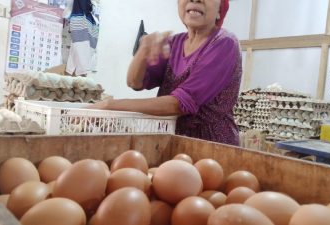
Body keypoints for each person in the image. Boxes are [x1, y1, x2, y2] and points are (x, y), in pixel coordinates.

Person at [89, 0, 242, 145]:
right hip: (169, 140)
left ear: (219, 11)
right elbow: (135, 82)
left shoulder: (224, 43)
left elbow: (180, 104)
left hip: (209, 145)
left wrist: (110, 105)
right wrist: (143, 50)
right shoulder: (175, 43)